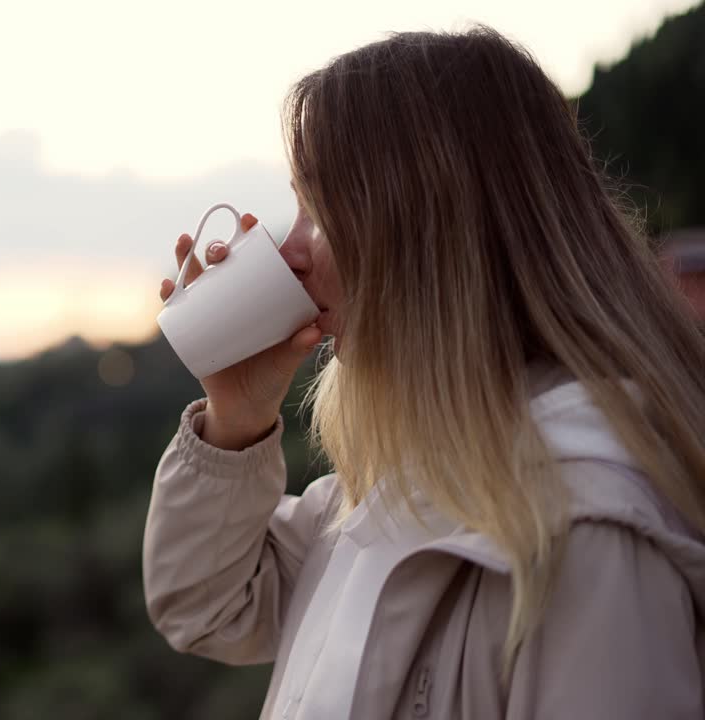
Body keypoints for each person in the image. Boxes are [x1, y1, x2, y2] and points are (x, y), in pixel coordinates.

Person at [143, 26, 705, 720]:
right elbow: (204, 607)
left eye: (319, 209)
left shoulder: (587, 533)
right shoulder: (386, 491)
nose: (287, 250)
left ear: (428, 232)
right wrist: (234, 416)